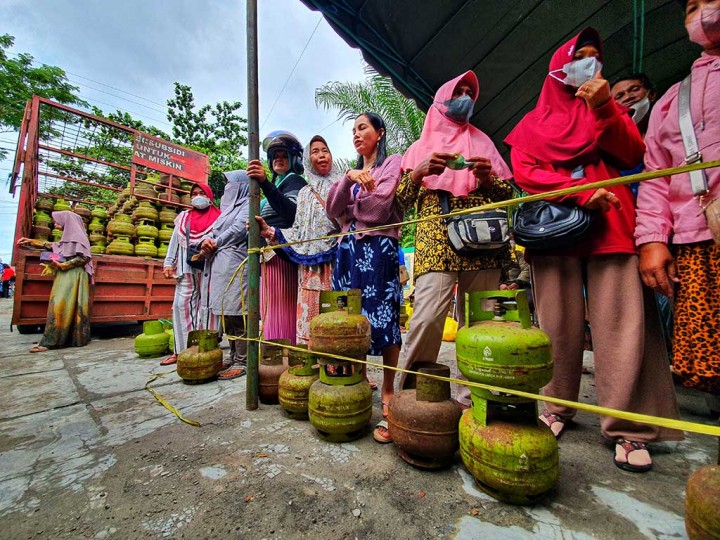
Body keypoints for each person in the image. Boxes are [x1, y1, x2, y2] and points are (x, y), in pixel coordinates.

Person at [505, 28, 682, 473]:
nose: (589, 64)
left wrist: (603, 106)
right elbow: (526, 173)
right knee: (557, 324)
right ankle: (556, 407)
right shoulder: (531, 124)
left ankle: (629, 426)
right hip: (555, 232)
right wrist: (580, 191)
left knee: (621, 324)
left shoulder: (605, 107)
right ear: (558, 66)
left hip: (613, 227)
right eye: (579, 56)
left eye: (594, 57)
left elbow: (631, 152)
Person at [396, 71, 514, 409]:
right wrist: (419, 173)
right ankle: (411, 401)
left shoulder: (484, 142)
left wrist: (488, 177)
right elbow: (401, 201)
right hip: (436, 236)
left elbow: (507, 192)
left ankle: (473, 402)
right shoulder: (418, 148)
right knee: (427, 317)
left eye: (469, 92)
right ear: (441, 98)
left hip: (482, 237)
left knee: (481, 320)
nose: (464, 96)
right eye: (457, 91)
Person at [636, 0, 720, 412]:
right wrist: (652, 239)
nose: (705, 10)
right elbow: (656, 176)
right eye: (693, 5)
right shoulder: (674, 99)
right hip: (699, 236)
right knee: (710, 356)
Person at [326, 112, 403, 444]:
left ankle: (388, 388)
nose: (357, 134)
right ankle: (358, 378)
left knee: (384, 319)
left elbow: (380, 209)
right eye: (353, 130)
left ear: (379, 132)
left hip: (380, 248)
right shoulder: (353, 171)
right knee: (349, 319)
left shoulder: (392, 163)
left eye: (363, 128)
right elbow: (332, 209)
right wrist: (349, 179)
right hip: (347, 252)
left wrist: (350, 209)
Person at [256, 135, 341, 343]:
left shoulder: (342, 184)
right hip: (309, 266)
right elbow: (299, 231)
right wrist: (271, 233)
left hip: (337, 263)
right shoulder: (304, 193)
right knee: (310, 316)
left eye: (325, 150)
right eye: (315, 151)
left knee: (338, 319)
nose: (321, 155)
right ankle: (309, 364)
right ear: (307, 159)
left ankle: (338, 369)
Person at [247, 132, 307, 345]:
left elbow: (291, 213)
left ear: (294, 159)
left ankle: (284, 354)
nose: (278, 159)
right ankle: (273, 354)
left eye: (283, 155)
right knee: (269, 307)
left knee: (281, 307)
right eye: (274, 157)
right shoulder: (279, 184)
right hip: (268, 255)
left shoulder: (296, 182)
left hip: (282, 254)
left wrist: (264, 183)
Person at [161, 183, 220, 365]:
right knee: (181, 305)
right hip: (186, 266)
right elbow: (174, 242)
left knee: (207, 306)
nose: (197, 196)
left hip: (208, 266)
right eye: (194, 194)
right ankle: (181, 350)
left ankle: (208, 347)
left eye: (202, 193)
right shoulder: (184, 217)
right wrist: (168, 262)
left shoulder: (219, 217)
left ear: (210, 196)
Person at [199, 171, 250, 380]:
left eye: (232, 184)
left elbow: (239, 229)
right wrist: (207, 240)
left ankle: (243, 359)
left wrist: (216, 242)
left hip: (235, 264)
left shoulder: (247, 203)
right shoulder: (227, 209)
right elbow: (214, 230)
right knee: (226, 313)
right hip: (220, 265)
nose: (227, 188)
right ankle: (233, 354)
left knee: (239, 313)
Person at [17, 211, 93, 352]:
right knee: (68, 306)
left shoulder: (78, 237)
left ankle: (50, 342)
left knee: (58, 306)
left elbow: (84, 258)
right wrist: (33, 241)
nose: (55, 223)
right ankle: (68, 339)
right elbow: (57, 246)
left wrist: (62, 265)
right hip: (68, 274)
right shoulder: (69, 237)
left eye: (58, 221)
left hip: (72, 275)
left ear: (67, 221)